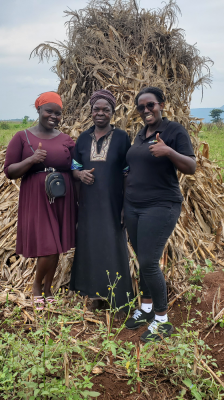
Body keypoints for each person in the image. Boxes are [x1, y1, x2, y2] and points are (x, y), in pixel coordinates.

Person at [124, 86, 197, 342]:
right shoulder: (141, 135)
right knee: (142, 258)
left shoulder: (173, 131)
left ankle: (162, 320)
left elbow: (191, 166)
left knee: (149, 262)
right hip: (133, 206)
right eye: (141, 107)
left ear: (162, 105)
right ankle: (145, 309)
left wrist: (169, 152)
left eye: (151, 105)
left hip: (161, 205)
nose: (146, 110)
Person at [4, 92, 76, 310]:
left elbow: (74, 165)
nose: (54, 116)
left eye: (58, 113)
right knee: (49, 245)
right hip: (36, 196)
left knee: (55, 247)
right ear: (38, 110)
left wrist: (80, 174)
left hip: (62, 196)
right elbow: (9, 171)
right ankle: (37, 287)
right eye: (49, 111)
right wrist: (32, 159)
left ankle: (48, 289)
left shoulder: (65, 139)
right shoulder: (22, 137)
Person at [70, 89, 133, 316]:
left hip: (113, 204)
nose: (100, 113)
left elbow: (128, 172)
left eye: (106, 110)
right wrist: (79, 175)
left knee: (113, 248)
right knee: (90, 247)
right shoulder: (83, 139)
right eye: (96, 109)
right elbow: (74, 166)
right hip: (88, 205)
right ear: (91, 111)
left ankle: (120, 301)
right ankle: (95, 296)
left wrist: (126, 205)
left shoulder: (121, 138)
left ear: (112, 113)